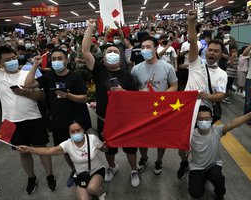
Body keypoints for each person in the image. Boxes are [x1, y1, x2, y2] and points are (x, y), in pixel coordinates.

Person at [0, 46, 56, 194]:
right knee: (23, 153)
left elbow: (42, 96)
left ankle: (50, 175)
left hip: (34, 117)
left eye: (13, 58)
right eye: (7, 60)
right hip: (10, 122)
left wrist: (25, 93)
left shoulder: (27, 73)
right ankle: (31, 177)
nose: (12, 61)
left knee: (42, 149)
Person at [82, 19, 141, 187]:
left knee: (130, 148)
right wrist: (90, 28)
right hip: (104, 119)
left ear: (121, 56)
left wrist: (123, 93)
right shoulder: (99, 70)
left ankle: (133, 169)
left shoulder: (127, 75)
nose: (113, 52)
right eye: (109, 51)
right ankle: (112, 167)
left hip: (125, 120)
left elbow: (136, 99)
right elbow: (85, 51)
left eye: (116, 50)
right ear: (105, 56)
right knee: (109, 147)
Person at [24, 48, 91, 187]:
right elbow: (28, 84)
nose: (56, 61)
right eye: (53, 59)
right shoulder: (48, 77)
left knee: (81, 147)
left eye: (60, 58)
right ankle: (74, 171)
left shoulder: (74, 77)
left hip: (76, 120)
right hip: (58, 121)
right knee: (65, 150)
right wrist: (35, 65)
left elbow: (84, 98)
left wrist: (68, 95)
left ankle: (86, 171)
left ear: (66, 60)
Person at [179, 10, 228, 180]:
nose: (212, 53)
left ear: (221, 55)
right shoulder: (195, 64)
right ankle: (184, 162)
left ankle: (202, 166)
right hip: (186, 111)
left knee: (201, 144)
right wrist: (191, 23)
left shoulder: (222, 74)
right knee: (183, 144)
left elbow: (221, 96)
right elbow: (193, 42)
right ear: (206, 51)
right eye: (210, 50)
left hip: (205, 114)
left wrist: (203, 97)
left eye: (216, 51)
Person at [18, 120, 107, 200]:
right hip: (81, 175)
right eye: (72, 132)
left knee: (92, 188)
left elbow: (103, 149)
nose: (76, 133)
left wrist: (106, 147)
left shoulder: (92, 138)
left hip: (97, 171)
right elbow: (49, 150)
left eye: (78, 130)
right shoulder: (67, 144)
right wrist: (29, 149)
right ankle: (92, 187)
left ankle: (101, 192)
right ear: (69, 132)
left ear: (83, 129)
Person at [189, 105, 251, 200]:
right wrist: (184, 153)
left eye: (206, 119)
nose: (203, 121)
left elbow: (233, 123)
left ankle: (219, 195)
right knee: (195, 193)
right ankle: (202, 178)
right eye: (200, 119)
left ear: (211, 119)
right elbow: (182, 152)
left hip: (213, 165)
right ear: (196, 120)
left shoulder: (216, 130)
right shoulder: (190, 134)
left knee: (218, 179)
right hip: (197, 167)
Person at [131, 35, 178, 177]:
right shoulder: (136, 69)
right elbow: (132, 91)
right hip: (143, 110)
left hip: (161, 108)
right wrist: (140, 93)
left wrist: (162, 95)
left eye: (148, 47)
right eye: (143, 48)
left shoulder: (167, 67)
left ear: (155, 47)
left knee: (160, 137)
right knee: (142, 136)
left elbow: (174, 86)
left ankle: (159, 160)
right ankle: (144, 158)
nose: (145, 50)